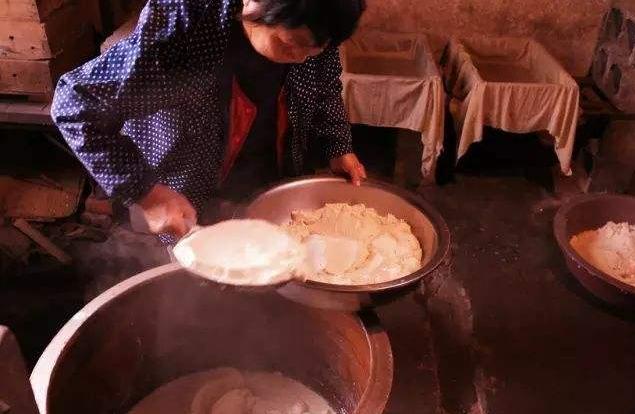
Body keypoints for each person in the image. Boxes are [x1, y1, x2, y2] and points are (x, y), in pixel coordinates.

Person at [51, 0, 367, 241]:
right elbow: (75, 103)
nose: (301, 58)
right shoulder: (185, 21)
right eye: (289, 44)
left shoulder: (319, 19)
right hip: (185, 185)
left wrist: (337, 144)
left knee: (268, 255)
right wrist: (147, 193)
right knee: (193, 283)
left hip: (268, 162)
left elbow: (324, 82)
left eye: (315, 50)